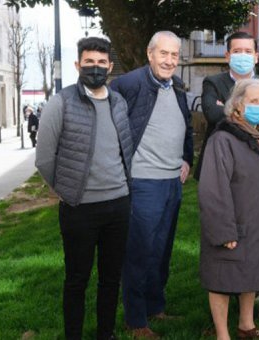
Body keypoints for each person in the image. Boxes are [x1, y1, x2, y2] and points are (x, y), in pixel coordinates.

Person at [35, 36, 132, 340]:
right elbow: (44, 159)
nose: (95, 68)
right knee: (77, 280)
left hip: (118, 205)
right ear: (78, 65)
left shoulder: (119, 102)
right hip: (79, 208)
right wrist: (66, 189)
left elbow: (124, 149)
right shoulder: (60, 102)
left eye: (101, 63)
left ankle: (106, 333)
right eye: (89, 62)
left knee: (110, 279)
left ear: (110, 66)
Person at [110, 31, 193, 339]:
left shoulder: (178, 86)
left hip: (173, 183)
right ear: (150, 54)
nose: (169, 60)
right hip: (143, 183)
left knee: (162, 250)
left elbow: (184, 128)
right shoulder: (129, 84)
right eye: (164, 54)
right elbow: (113, 131)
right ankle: (135, 320)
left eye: (174, 55)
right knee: (139, 252)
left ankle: (156, 307)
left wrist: (187, 159)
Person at [198, 78, 259, 340]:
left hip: (257, 220)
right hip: (232, 223)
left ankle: (246, 326)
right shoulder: (222, 138)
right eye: (252, 102)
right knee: (222, 279)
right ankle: (222, 335)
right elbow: (212, 189)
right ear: (237, 106)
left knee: (252, 272)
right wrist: (225, 232)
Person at [195, 31, 259, 180]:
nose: (243, 55)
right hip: (221, 161)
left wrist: (228, 109)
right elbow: (212, 114)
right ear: (227, 56)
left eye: (248, 51)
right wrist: (257, 115)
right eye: (237, 51)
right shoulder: (213, 82)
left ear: (256, 57)